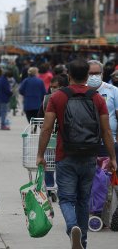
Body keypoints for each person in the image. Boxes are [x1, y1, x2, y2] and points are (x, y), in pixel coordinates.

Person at [36, 59, 117, 249]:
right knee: (83, 199)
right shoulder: (97, 98)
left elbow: (47, 129)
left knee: (66, 199)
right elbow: (106, 131)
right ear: (87, 76)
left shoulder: (57, 97)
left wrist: (40, 154)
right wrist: (112, 157)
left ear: (69, 75)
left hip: (65, 155)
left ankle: (73, 228)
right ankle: (83, 242)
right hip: (89, 155)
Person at [87, 60, 118, 155]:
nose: (93, 76)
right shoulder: (80, 91)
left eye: (96, 73)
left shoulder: (113, 90)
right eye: (90, 74)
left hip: (109, 142)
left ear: (102, 74)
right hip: (86, 143)